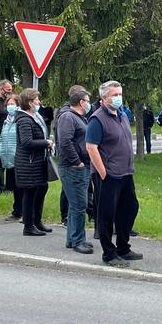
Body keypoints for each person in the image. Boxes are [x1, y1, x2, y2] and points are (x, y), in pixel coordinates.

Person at [86, 81, 141, 266]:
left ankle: (123, 247)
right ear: (104, 98)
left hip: (125, 172)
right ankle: (109, 253)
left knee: (130, 208)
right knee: (106, 214)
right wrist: (103, 172)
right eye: (114, 95)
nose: (118, 98)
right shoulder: (97, 118)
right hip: (108, 174)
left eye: (120, 94)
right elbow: (91, 147)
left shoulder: (122, 115)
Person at [57, 88, 94, 253]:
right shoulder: (68, 117)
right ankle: (78, 240)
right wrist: (77, 162)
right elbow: (65, 141)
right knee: (79, 205)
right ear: (81, 102)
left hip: (80, 166)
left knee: (76, 205)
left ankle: (72, 239)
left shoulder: (79, 117)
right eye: (87, 101)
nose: (89, 104)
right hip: (73, 168)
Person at [13, 88, 54, 236]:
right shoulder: (24, 120)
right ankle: (28, 226)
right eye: (36, 100)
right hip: (28, 163)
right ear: (30, 103)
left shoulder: (35, 117)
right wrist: (46, 142)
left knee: (42, 188)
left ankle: (37, 221)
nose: (39, 102)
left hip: (37, 161)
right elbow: (26, 142)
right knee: (30, 193)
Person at [0, 94, 22, 221]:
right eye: (8, 104)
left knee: (20, 186)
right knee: (13, 186)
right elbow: (2, 137)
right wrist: (0, 150)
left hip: (18, 157)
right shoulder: (6, 120)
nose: (10, 106)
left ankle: (20, 211)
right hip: (8, 157)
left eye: (13, 104)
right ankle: (17, 210)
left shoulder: (20, 119)